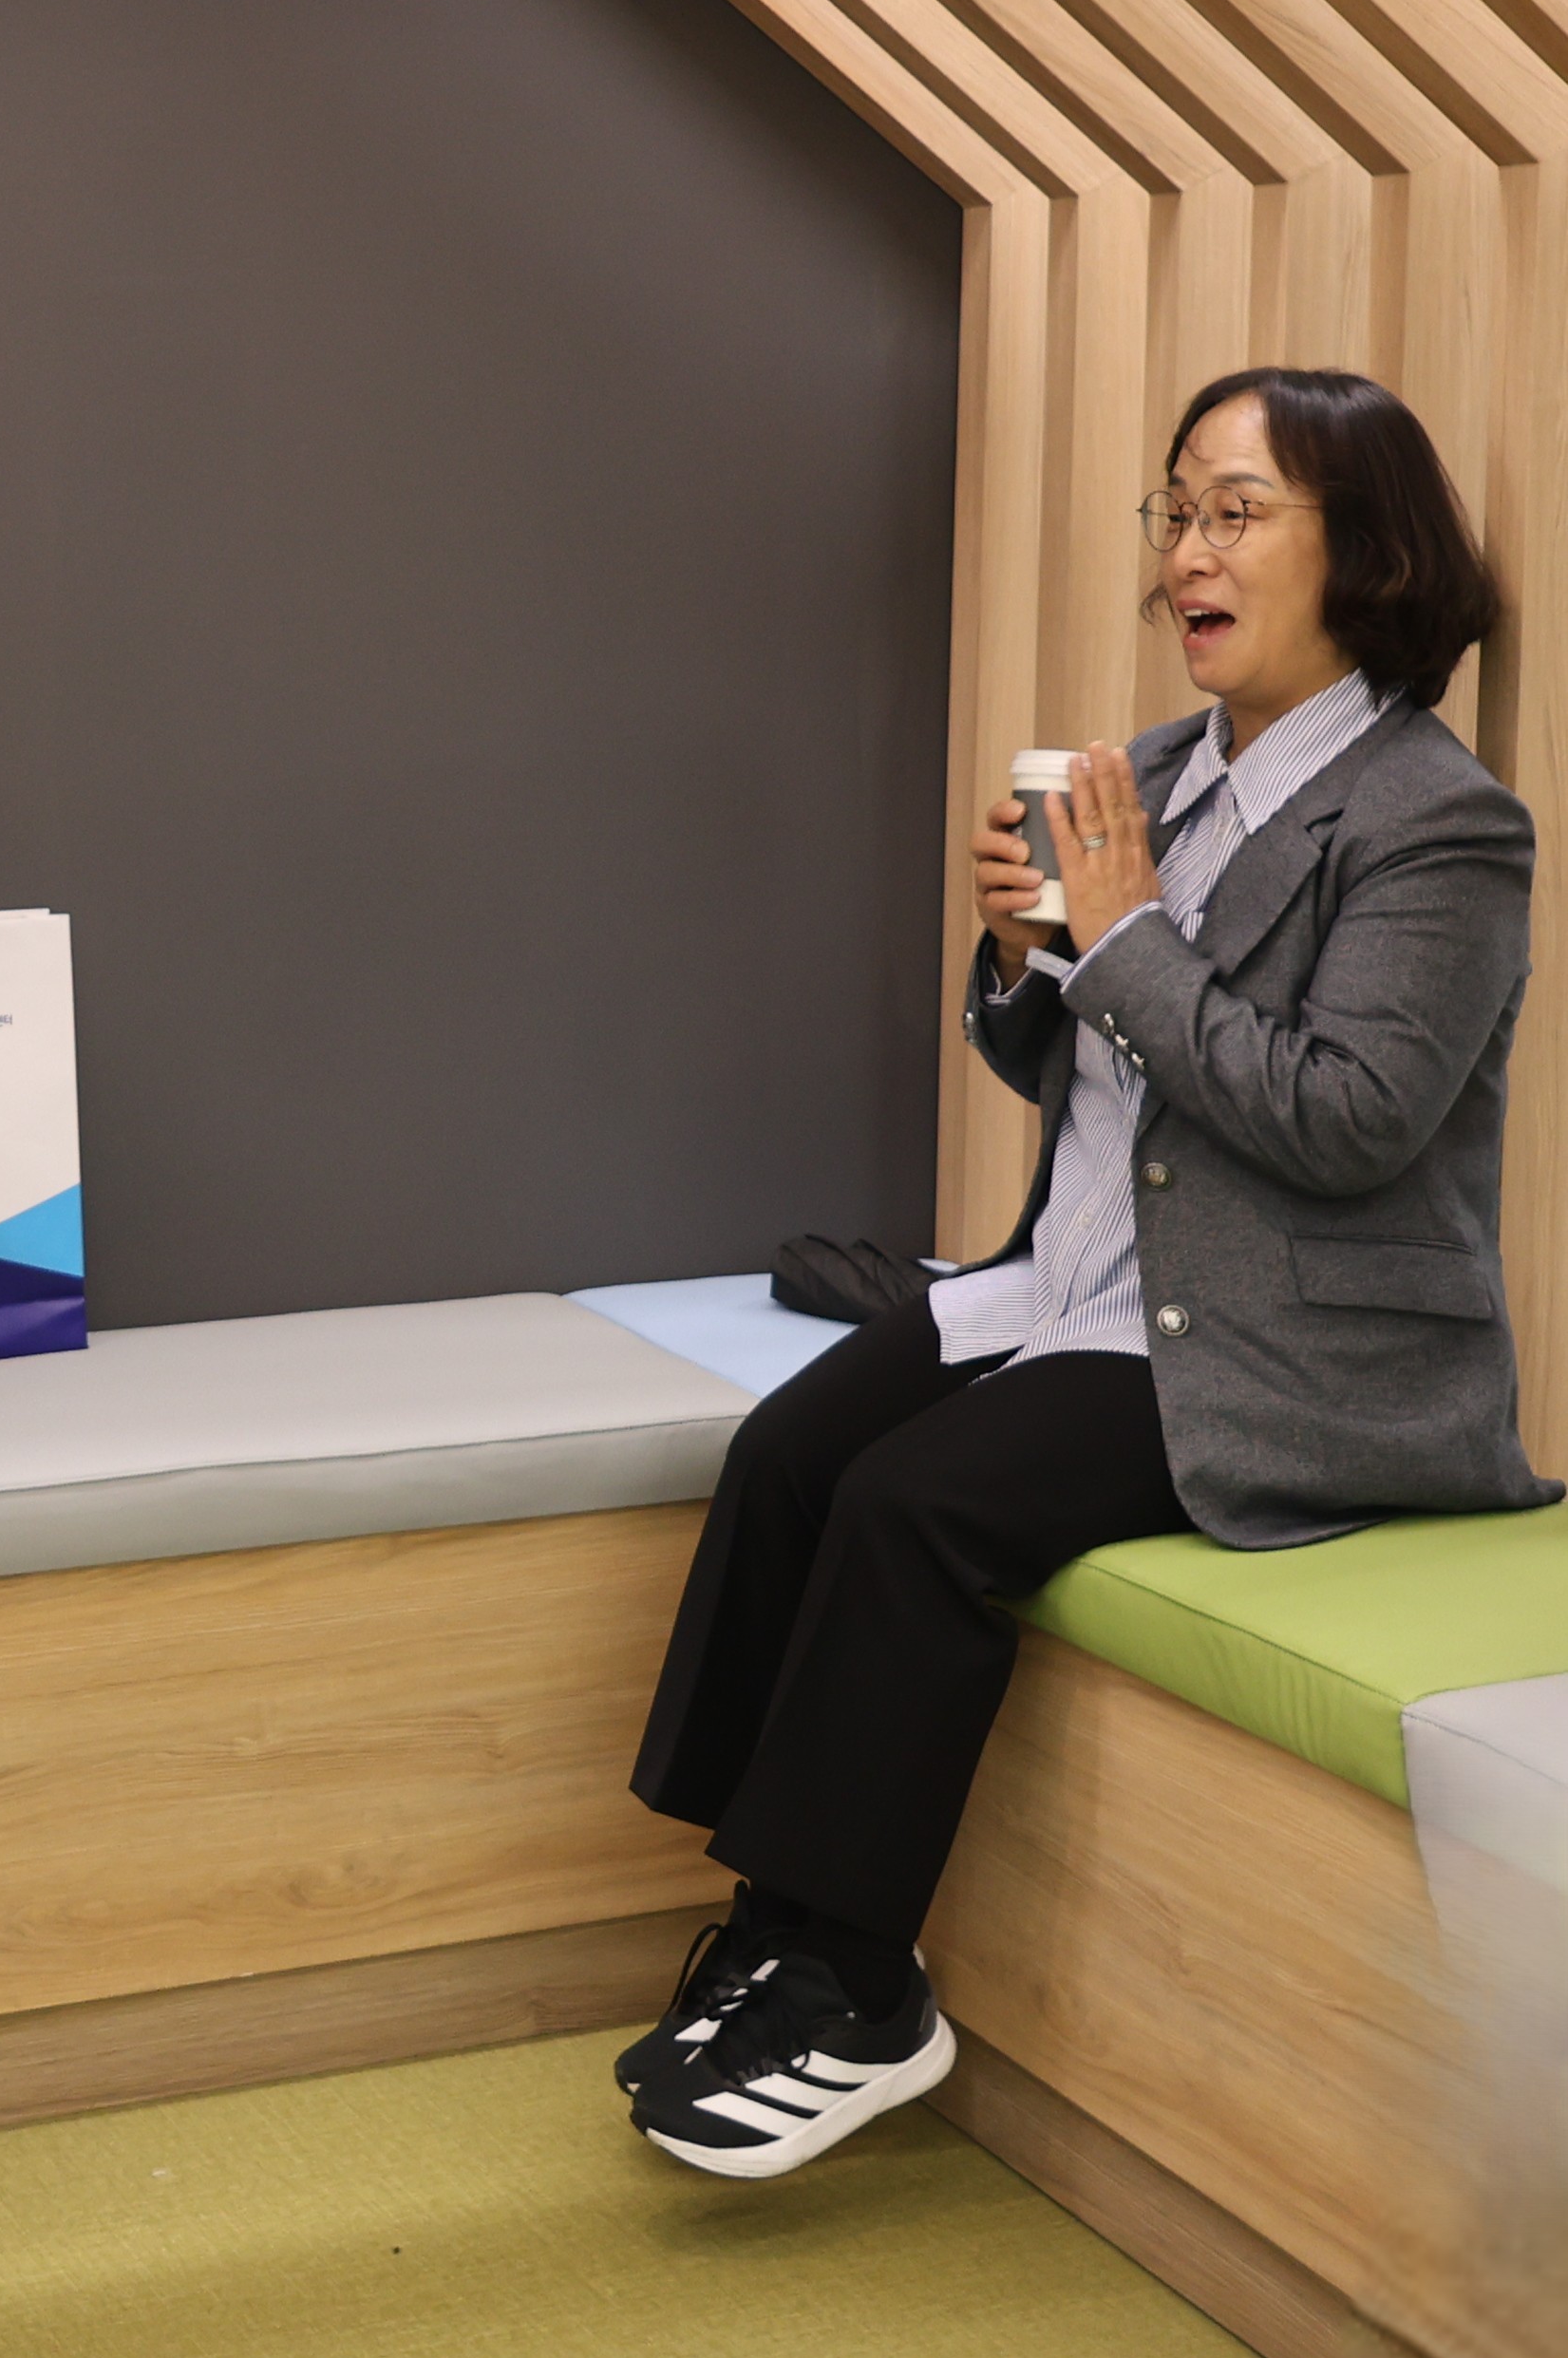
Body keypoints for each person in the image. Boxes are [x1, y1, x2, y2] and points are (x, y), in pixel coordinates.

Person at [625, 366, 1557, 2180]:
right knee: (790, 1455)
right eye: (1175, 511)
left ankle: (857, 1984)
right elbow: (1071, 1072)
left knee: (911, 1505)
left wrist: (1118, 939)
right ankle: (774, 1923)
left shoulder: (1437, 822)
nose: (1186, 552)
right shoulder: (1147, 777)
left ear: (1361, 548)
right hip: (1075, 1291)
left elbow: (1350, 1122)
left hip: (1286, 1350)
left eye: (1234, 511)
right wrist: (1017, 961)